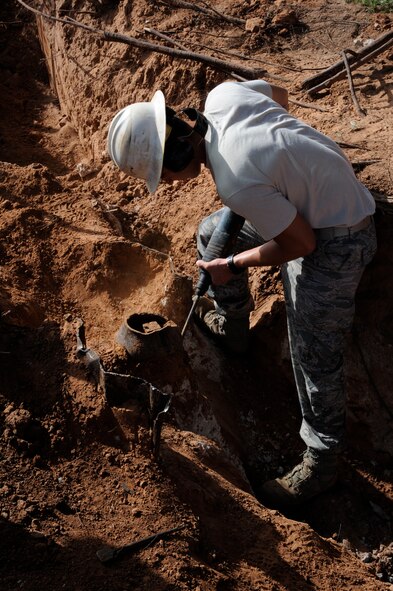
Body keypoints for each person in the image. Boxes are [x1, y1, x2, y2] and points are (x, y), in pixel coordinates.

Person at [107, 80, 377, 508]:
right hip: (315, 202)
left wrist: (230, 265)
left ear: (178, 152)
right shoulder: (222, 96)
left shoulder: (235, 181)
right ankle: (234, 329)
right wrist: (275, 170)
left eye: (165, 173)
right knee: (213, 231)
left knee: (314, 355)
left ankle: (323, 462)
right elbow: (280, 97)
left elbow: (302, 246)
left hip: (339, 236)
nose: (172, 184)